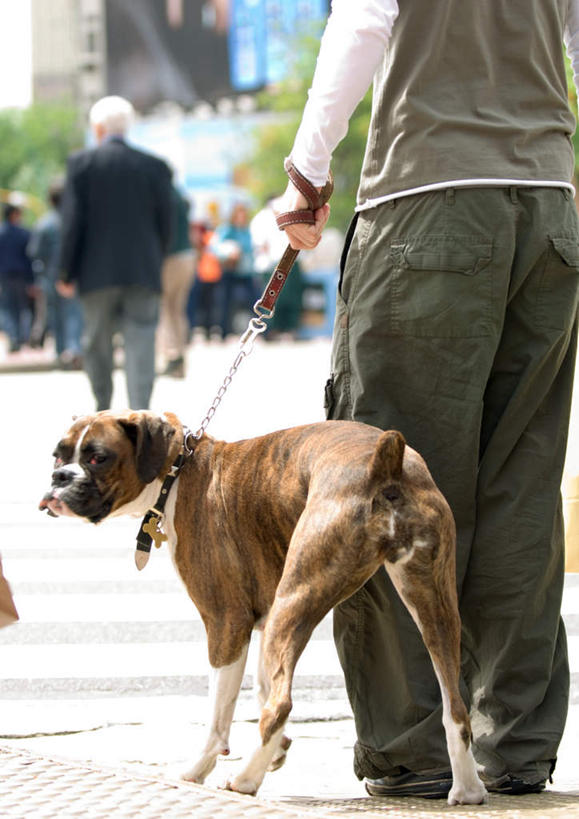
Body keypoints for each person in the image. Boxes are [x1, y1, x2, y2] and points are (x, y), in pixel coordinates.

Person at [276, 0, 579, 800]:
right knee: (523, 485)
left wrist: (308, 169)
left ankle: (413, 748)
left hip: (425, 202)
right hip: (545, 205)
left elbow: (362, 24)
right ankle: (513, 744)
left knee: (387, 487)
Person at [58, 96, 172, 411]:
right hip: (143, 271)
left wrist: (65, 271)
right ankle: (139, 415)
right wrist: (155, 259)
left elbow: (72, 223)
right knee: (142, 342)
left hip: (95, 275)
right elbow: (167, 223)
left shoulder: (81, 165)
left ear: (98, 128)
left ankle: (103, 409)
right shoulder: (155, 167)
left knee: (96, 343)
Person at [27, 181, 83, 368]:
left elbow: (34, 252)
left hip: (50, 277)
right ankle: (75, 349)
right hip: (74, 276)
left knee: (55, 315)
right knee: (75, 313)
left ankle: (60, 353)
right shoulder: (75, 220)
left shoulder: (44, 224)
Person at [250, 194, 304, 338]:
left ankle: (290, 329)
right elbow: (260, 244)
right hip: (272, 264)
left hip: (291, 261)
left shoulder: (291, 213)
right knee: (273, 300)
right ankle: (270, 330)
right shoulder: (262, 218)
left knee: (291, 298)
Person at [158, 185, 196, 378]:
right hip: (187, 256)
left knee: (164, 308)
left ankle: (172, 356)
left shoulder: (164, 195)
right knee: (177, 310)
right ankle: (179, 355)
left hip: (171, 258)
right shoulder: (180, 195)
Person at [212, 201, 259, 340]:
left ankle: (259, 330)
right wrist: (229, 252)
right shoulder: (227, 230)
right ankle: (223, 331)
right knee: (225, 302)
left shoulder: (246, 231)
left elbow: (251, 248)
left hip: (246, 271)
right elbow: (215, 247)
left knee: (255, 300)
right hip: (230, 270)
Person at [0, 204, 34, 353]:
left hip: (5, 276)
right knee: (23, 308)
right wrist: (32, 280)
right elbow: (30, 258)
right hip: (21, 276)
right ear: (14, 214)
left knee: (7, 308)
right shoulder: (24, 233)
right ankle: (22, 337)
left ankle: (13, 337)